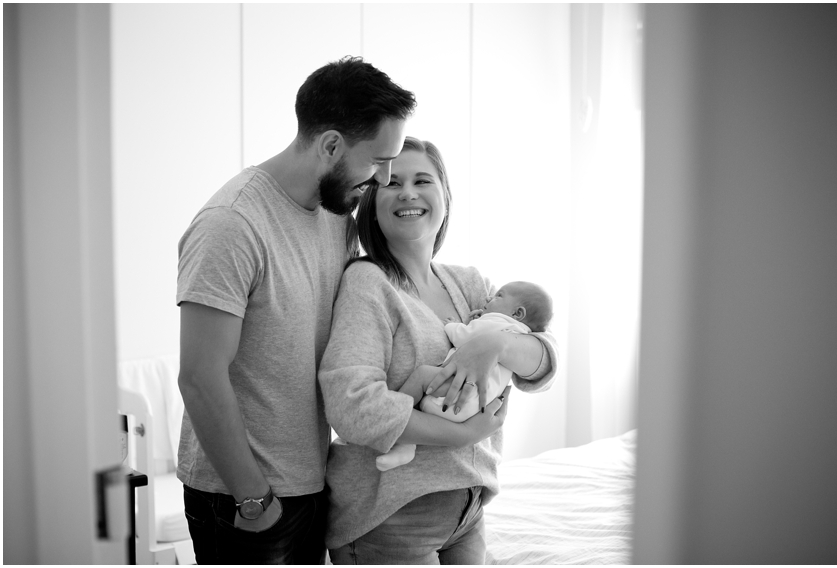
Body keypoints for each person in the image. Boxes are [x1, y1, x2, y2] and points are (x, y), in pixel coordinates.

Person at [175, 56, 416, 565]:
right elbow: (199, 377)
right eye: (378, 161)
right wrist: (254, 499)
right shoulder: (232, 224)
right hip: (243, 496)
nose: (385, 178)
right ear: (330, 146)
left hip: (310, 482)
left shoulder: (336, 214)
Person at [318, 136, 559, 564]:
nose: (408, 192)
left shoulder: (470, 285)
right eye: (392, 183)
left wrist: (495, 342)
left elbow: (542, 364)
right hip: (392, 517)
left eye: (422, 180)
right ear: (372, 203)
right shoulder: (368, 283)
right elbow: (352, 406)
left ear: (445, 195)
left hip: (468, 508)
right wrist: (464, 435)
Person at [375, 280, 554, 471]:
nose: (488, 297)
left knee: (422, 376)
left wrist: (452, 325)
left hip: (459, 395)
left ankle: (401, 439)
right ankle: (407, 442)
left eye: (498, 296)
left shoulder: (496, 322)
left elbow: (463, 336)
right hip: (475, 409)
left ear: (517, 313)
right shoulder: (520, 333)